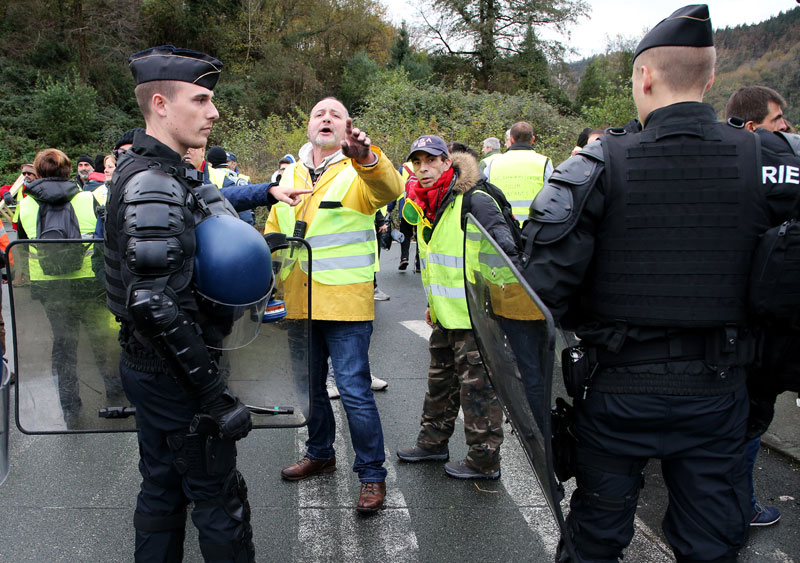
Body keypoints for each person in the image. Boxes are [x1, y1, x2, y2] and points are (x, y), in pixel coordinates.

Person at [517, 6, 799, 561]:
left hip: (617, 392)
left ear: (643, 77)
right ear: (711, 79)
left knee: (596, 536)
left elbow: (540, 293)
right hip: (721, 391)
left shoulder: (597, 164)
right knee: (712, 543)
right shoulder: (771, 159)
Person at [104, 44, 305, 562]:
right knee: (218, 500)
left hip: (159, 368)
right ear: (160, 105)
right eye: (201, 99)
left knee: (162, 488)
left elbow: (206, 215)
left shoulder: (165, 172)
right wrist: (215, 397)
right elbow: (150, 302)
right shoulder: (152, 180)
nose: (213, 112)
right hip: (174, 374)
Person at [266, 96, 403, 513]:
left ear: (346, 128)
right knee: (309, 389)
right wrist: (269, 284)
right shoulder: (289, 172)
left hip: (344, 301)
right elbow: (276, 230)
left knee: (354, 391)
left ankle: (372, 475)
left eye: (335, 115)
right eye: (318, 114)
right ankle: (320, 453)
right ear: (308, 127)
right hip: (299, 300)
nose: (325, 119)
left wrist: (367, 157)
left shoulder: (357, 170)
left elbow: (389, 188)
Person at [396, 135, 514, 480]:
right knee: (441, 385)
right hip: (445, 316)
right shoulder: (426, 204)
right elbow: (436, 264)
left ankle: (484, 460)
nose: (424, 168)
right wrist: (433, 305)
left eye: (431, 160)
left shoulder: (474, 200)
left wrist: (493, 306)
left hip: (476, 319)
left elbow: (506, 253)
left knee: (477, 391)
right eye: (418, 162)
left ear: (448, 162)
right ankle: (433, 442)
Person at [726, 84, 793, 528]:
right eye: (777, 123)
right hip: (753, 330)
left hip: (732, 325)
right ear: (751, 127)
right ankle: (738, 506)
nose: (785, 130)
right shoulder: (772, 174)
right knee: (748, 420)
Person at [18, 148, 123, 427]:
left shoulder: (25, 206)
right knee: (100, 338)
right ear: (68, 171)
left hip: (49, 287)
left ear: (38, 173)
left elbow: (22, 247)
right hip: (87, 282)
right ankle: (114, 388)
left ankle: (70, 407)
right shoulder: (88, 198)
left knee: (64, 345)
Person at [485, 121, 553, 224]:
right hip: (533, 227)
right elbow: (552, 195)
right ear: (532, 140)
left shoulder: (493, 164)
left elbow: (485, 196)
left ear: (511, 139)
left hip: (503, 226)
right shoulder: (544, 162)